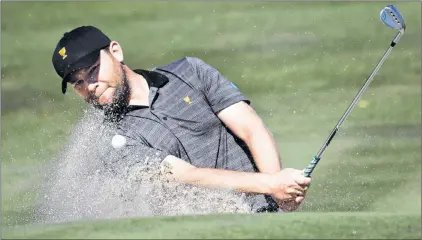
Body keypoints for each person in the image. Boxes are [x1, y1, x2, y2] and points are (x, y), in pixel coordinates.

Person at [51, 25, 311, 213]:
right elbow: (188, 175)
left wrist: (280, 192)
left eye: (93, 71)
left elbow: (251, 129)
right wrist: (271, 185)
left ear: (116, 52)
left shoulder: (190, 72)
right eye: (78, 83)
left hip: (268, 212)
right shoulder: (112, 142)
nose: (90, 86)